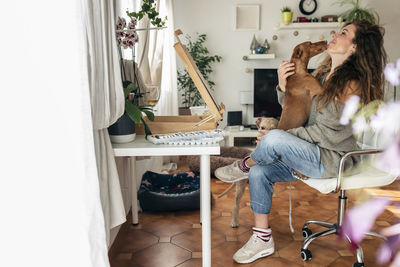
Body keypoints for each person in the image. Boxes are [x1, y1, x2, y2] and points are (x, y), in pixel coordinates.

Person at [215, 20, 387, 264]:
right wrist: (284, 86)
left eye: (344, 33)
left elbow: (329, 132)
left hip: (333, 158)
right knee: (261, 172)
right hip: (310, 152)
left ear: (355, 48)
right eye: (338, 30)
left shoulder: (353, 84)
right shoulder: (324, 74)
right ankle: (262, 238)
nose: (334, 35)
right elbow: (301, 110)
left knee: (272, 140)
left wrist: (282, 139)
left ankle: (244, 165)